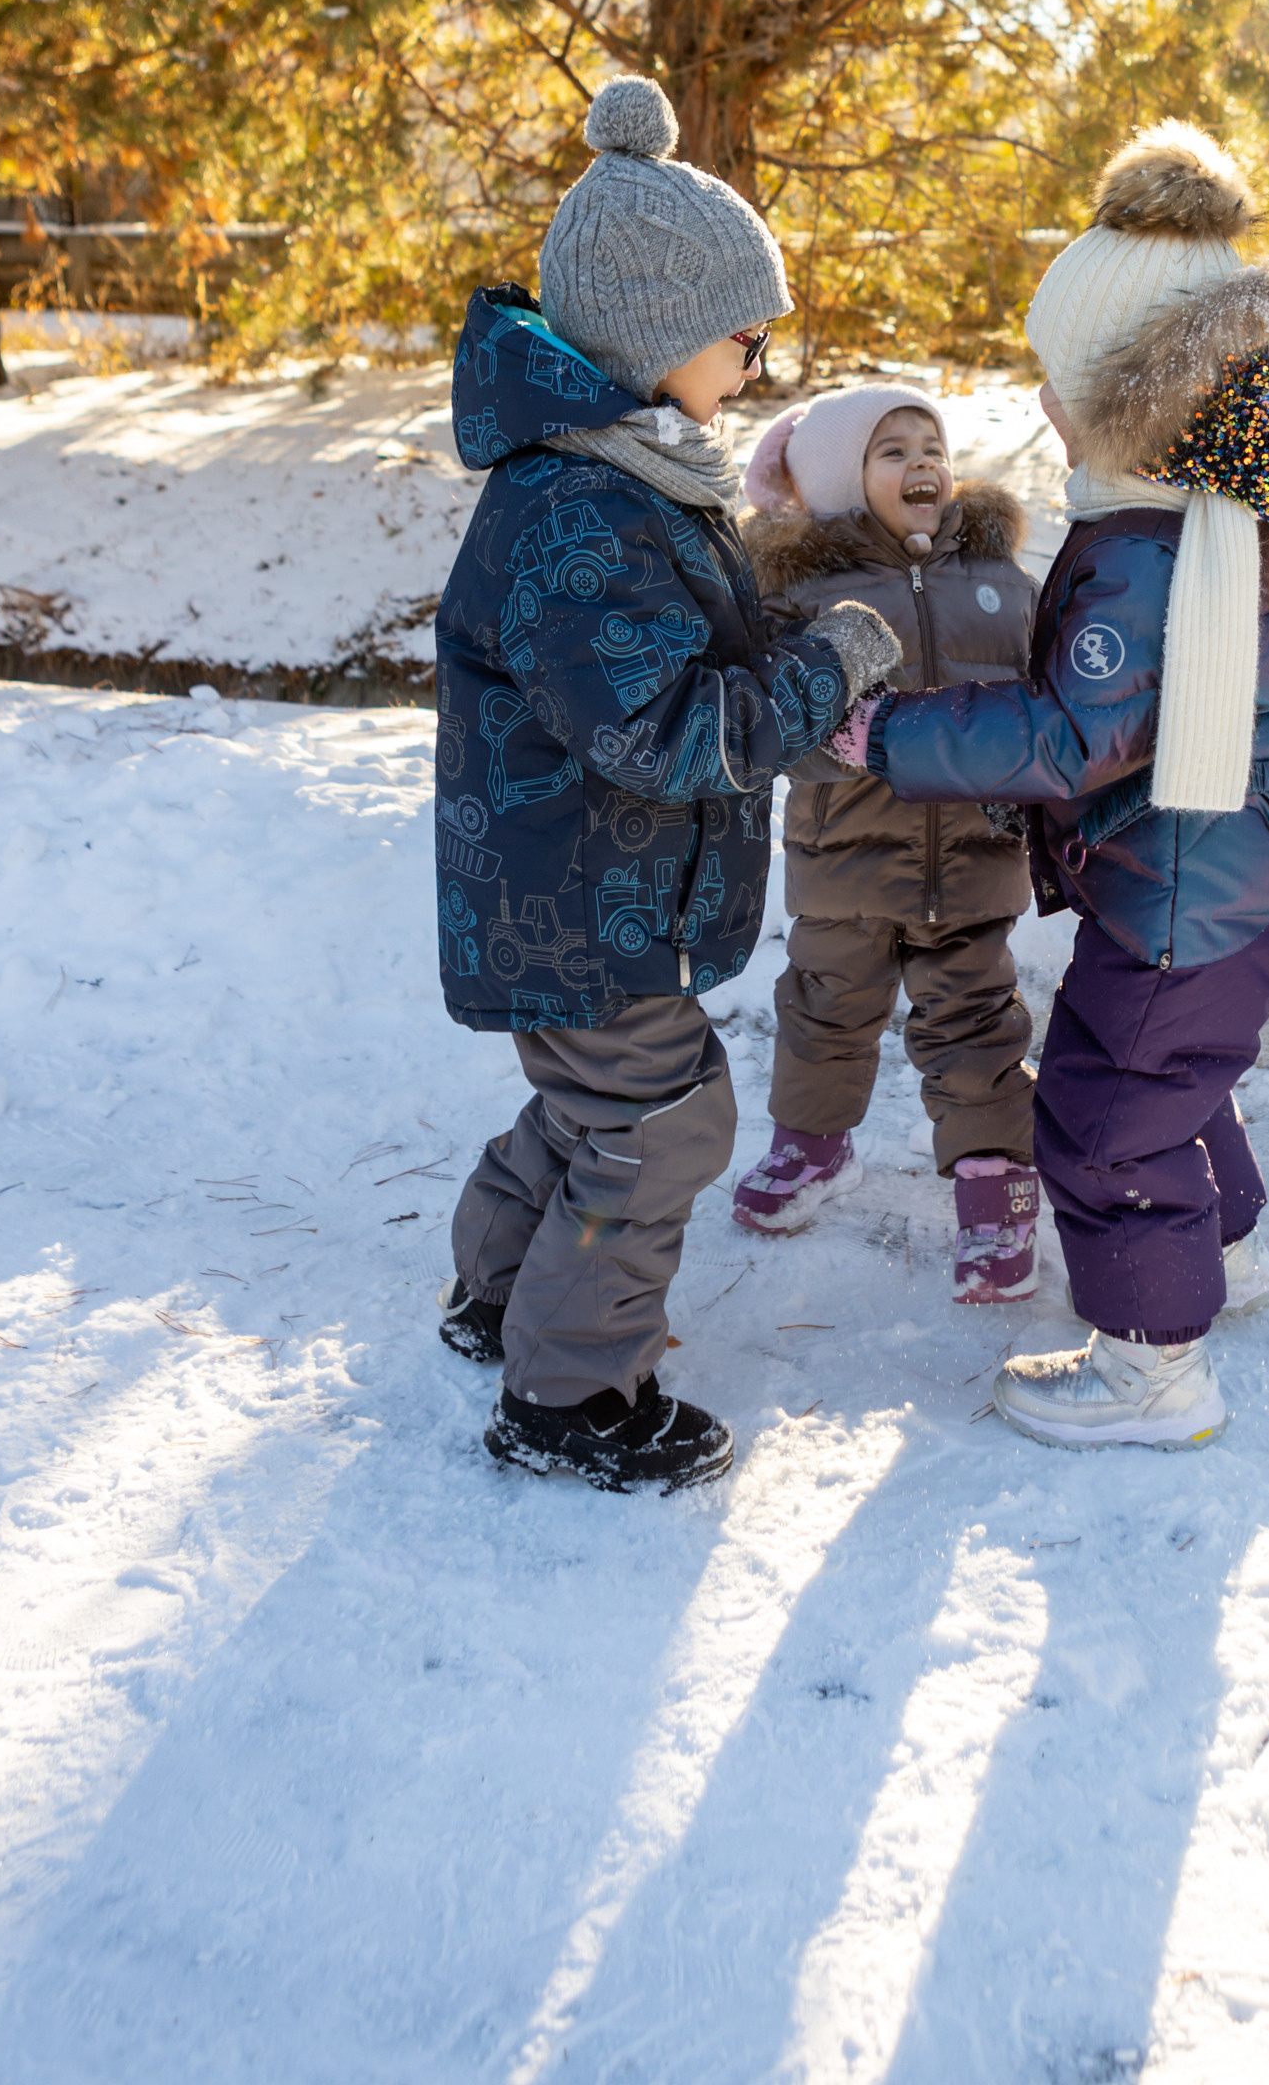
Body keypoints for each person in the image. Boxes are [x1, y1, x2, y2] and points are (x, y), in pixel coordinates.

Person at [824, 119, 1269, 1451]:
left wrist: (881, 738)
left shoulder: (1143, 556)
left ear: (1142, 400)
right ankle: (1222, 1261)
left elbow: (1069, 737)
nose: (1041, 403)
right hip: (1248, 876)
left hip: (1196, 890)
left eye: (1060, 380)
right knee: (1168, 1078)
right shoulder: (1214, 521)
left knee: (1099, 1113)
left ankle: (1153, 1368)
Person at [432, 76, 902, 1494]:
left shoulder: (621, 475)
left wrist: (792, 637)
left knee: (596, 1112)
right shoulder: (582, 506)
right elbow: (661, 731)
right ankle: (568, 1398)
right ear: (657, 332)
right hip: (584, 900)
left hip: (581, 892)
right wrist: (829, 672)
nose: (758, 366)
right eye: (745, 337)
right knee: (663, 1125)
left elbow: (672, 656)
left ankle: (499, 1297)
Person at [733, 386, 1042, 1297]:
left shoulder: (1000, 580)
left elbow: (1043, 702)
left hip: (977, 858)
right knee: (824, 1011)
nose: (922, 466)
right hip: (844, 858)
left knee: (976, 1025)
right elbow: (773, 718)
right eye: (891, 451)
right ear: (839, 481)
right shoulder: (798, 593)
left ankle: (996, 1196)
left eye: (931, 446)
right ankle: (814, 1148)